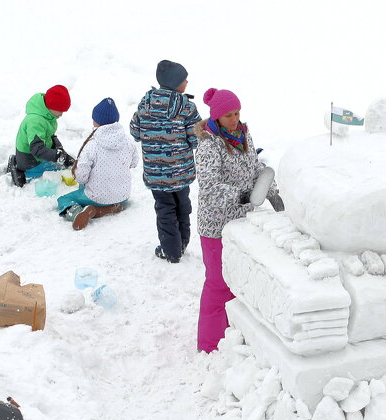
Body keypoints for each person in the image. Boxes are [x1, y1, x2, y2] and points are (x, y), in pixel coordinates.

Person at [193, 87, 281, 352]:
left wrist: (273, 193)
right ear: (216, 117)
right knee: (218, 284)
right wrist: (243, 195)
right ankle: (209, 344)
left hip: (241, 222)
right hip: (215, 225)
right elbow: (209, 186)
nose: (234, 119)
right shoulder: (209, 145)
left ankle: (232, 334)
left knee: (238, 281)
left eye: (237, 113)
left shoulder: (243, 135)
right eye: (228, 115)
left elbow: (255, 169)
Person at [130, 60, 202, 263]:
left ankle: (171, 248)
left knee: (165, 210)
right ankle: (180, 245)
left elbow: (135, 132)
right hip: (181, 172)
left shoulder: (145, 104)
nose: (187, 81)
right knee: (182, 206)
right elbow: (196, 139)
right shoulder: (186, 107)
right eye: (183, 79)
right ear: (175, 83)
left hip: (156, 174)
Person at [55, 98, 138, 231]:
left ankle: (77, 212)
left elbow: (81, 176)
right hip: (122, 196)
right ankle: (109, 208)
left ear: (96, 121)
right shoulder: (128, 141)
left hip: (97, 197)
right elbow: (134, 163)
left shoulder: (92, 145)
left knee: (63, 199)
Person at [7, 85, 76, 187]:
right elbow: (37, 150)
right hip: (30, 160)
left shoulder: (47, 115)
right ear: (52, 106)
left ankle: (19, 163)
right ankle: (20, 168)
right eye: (60, 110)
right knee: (60, 169)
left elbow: (50, 136)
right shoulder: (35, 122)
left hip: (37, 153)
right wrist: (59, 156)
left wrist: (59, 148)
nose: (61, 114)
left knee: (62, 164)